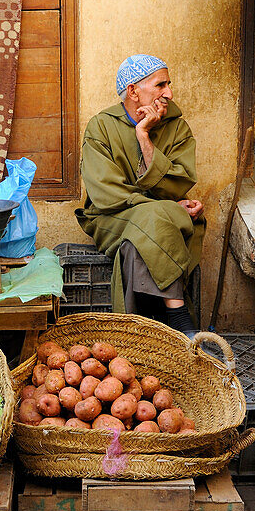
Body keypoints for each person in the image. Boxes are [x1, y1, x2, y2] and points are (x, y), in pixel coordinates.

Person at [75, 54, 205, 335]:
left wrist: (144, 137)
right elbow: (106, 195)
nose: (169, 93)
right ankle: (182, 323)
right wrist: (165, 207)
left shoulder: (176, 127)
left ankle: (138, 335)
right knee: (154, 216)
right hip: (110, 218)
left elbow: (178, 184)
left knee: (135, 245)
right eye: (160, 85)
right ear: (133, 91)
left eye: (169, 84)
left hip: (161, 220)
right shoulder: (101, 127)